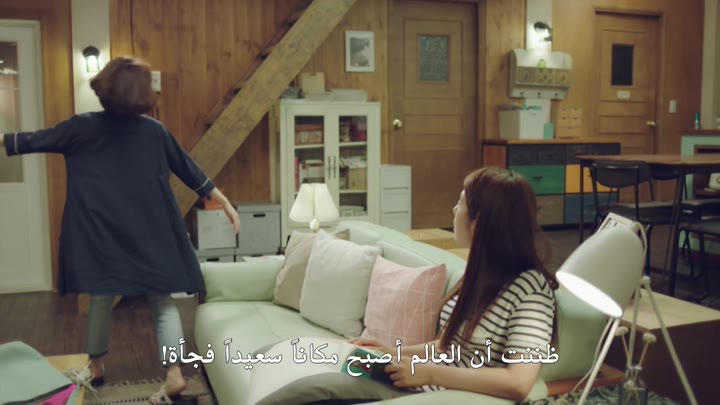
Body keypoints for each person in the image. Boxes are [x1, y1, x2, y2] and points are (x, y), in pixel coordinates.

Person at [0, 56, 240, 404]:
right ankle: (174, 375)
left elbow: (33, 140)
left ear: (105, 88)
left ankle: (96, 367)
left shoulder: (81, 127)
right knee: (163, 303)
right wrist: (224, 201)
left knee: (101, 296)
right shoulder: (155, 132)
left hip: (103, 233)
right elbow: (188, 168)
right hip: (153, 231)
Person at [351, 166, 557, 402]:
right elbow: (447, 347)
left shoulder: (531, 292)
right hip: (420, 385)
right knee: (331, 375)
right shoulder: (479, 273)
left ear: (478, 224)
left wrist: (428, 374)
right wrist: (392, 353)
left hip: (439, 395)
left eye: (460, 204)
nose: (454, 210)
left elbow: (519, 382)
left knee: (322, 392)